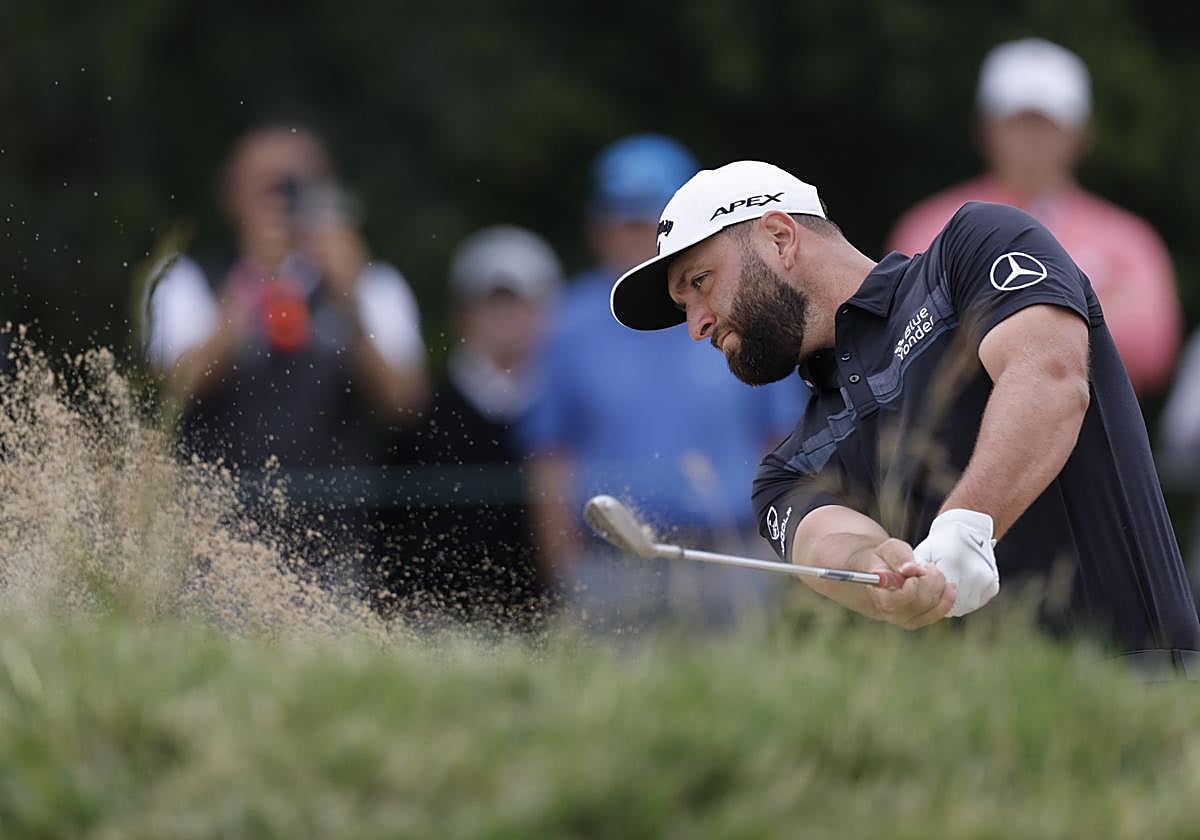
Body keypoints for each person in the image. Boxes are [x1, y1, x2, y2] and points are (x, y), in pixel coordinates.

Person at [610, 159, 1199, 676]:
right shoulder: (785, 468)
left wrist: (968, 523)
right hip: (978, 754)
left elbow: (1049, 380)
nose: (696, 325)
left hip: (1143, 689)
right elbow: (830, 541)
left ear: (779, 238)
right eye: (686, 304)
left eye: (701, 283)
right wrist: (881, 572)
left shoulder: (973, 249)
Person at [520, 135, 809, 633]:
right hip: (609, 566)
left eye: (647, 219)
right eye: (617, 219)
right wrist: (564, 569)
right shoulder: (568, 322)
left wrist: (781, 553)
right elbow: (551, 457)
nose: (629, 233)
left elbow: (784, 442)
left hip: (733, 560)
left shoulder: (745, 305)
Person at [145, 119, 428, 585]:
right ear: (231, 196)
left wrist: (350, 299)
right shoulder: (185, 278)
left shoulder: (372, 285)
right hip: (210, 551)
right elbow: (178, 388)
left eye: (295, 184)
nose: (282, 200)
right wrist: (251, 279)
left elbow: (405, 404)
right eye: (265, 186)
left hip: (335, 552)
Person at [887, 38, 1182, 399]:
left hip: (1095, 446)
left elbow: (1152, 347)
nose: (1032, 139)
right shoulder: (930, 225)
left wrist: (990, 315)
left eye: (1048, 124)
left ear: (1082, 134)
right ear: (984, 129)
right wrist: (1089, 308)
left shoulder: (1128, 238)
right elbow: (907, 341)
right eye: (1016, 123)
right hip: (959, 446)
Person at [379, 226, 561, 630]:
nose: (504, 319)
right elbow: (392, 534)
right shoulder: (422, 414)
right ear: (461, 314)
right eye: (489, 305)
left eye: (519, 304)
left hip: (553, 626)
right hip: (441, 631)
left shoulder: (571, 413)